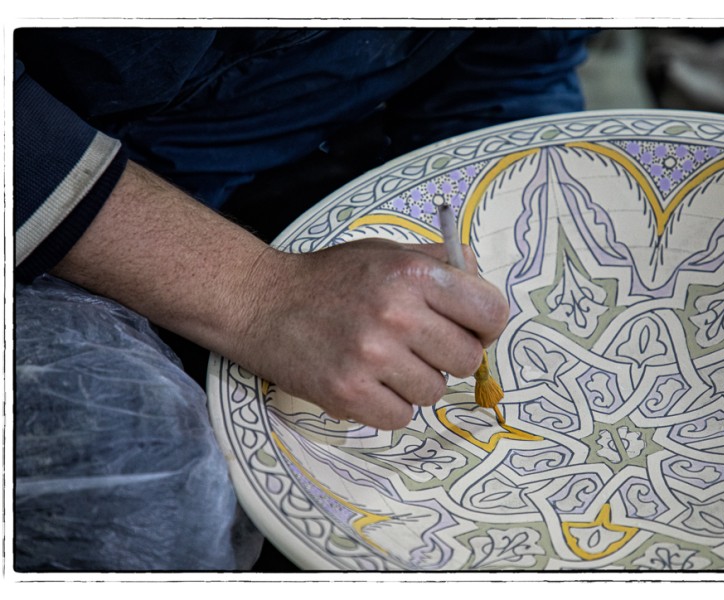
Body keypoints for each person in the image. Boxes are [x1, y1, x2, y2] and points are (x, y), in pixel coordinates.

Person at [13, 27, 592, 571]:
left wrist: (483, 233)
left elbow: (509, 69)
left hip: (319, 139)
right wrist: (258, 290)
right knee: (135, 508)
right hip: (47, 191)